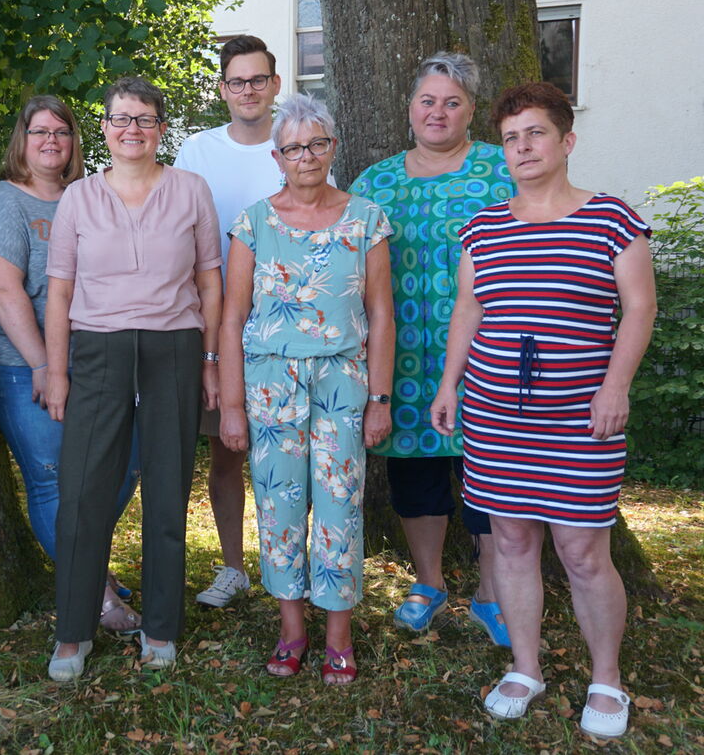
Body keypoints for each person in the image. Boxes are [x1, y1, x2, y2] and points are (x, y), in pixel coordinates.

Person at [431, 82, 655, 738]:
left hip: (581, 418)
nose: (522, 146)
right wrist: (450, 385)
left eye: (535, 133)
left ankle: (606, 675)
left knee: (584, 549)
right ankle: (525, 666)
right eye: (511, 137)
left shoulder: (612, 218)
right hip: (497, 414)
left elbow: (638, 308)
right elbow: (468, 310)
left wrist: (616, 386)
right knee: (510, 539)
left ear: (566, 141)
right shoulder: (484, 226)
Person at [45, 76, 222, 681]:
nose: (132, 129)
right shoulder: (79, 199)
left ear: (161, 129)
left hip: (175, 343)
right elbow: (60, 289)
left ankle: (161, 627)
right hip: (97, 347)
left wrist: (211, 361)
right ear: (104, 130)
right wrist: (57, 370)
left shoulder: (191, 190)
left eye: (144, 119)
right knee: (83, 491)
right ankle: (73, 632)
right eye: (121, 119)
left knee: (169, 487)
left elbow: (209, 280)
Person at [219, 94, 394, 686]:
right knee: (279, 506)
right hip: (270, 381)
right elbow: (231, 316)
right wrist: (233, 404)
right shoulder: (253, 222)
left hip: (345, 379)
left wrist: (380, 398)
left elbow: (381, 314)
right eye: (293, 147)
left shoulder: (366, 219)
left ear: (333, 148)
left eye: (317, 143)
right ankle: (292, 630)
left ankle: (339, 636)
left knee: (340, 505)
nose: (306, 156)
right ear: (278, 157)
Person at [349, 52, 514, 645]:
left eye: (452, 101)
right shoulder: (376, 182)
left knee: (491, 473)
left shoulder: (503, 170)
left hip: (487, 349)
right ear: (410, 109)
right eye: (428, 100)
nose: (438, 112)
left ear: (472, 110)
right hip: (403, 353)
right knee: (415, 470)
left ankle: (495, 592)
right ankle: (429, 582)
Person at [0, 95, 141, 635]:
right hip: (25, 366)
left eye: (61, 133)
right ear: (21, 141)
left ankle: (89, 565)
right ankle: (95, 596)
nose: (51, 141)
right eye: (40, 132)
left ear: (73, 144)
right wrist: (46, 364)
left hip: (99, 359)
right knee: (53, 482)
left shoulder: (89, 197)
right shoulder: (5, 204)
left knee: (123, 465)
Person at [173, 35, 285, 610]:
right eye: (237, 81)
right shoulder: (197, 151)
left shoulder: (295, 145)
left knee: (292, 449)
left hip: (292, 322)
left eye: (258, 79)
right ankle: (234, 566)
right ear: (223, 89)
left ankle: (288, 562)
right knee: (227, 449)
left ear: (276, 85)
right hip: (220, 320)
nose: (248, 90)